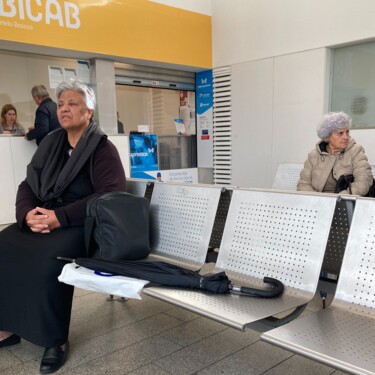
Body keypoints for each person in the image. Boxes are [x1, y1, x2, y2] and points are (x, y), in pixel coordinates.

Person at [0, 81, 126, 374]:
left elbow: (110, 195)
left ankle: (54, 341)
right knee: (5, 244)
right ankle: (7, 327)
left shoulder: (102, 149)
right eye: (61, 104)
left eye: (73, 103)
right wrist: (27, 214)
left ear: (89, 111)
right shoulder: (51, 144)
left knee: (48, 260)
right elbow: (27, 184)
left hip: (81, 224)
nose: (65, 109)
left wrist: (60, 217)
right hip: (45, 216)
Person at [297, 111, 373, 195]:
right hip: (317, 203)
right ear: (328, 135)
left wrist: (341, 199)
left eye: (347, 132)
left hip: (344, 203)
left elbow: (363, 182)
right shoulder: (313, 155)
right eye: (340, 133)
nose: (345, 137)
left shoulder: (356, 151)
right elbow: (303, 184)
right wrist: (317, 200)